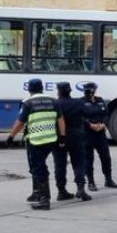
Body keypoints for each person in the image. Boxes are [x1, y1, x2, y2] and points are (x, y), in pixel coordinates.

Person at [6, 78, 66, 210]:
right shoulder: (53, 101)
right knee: (36, 167)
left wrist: (11, 136)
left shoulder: (27, 103)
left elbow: (20, 122)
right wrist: (62, 136)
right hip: (51, 139)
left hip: (36, 140)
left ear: (29, 89)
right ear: (42, 87)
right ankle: (36, 193)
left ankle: (44, 200)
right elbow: (61, 120)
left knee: (39, 169)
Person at [51, 82, 92, 202]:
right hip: (76, 135)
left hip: (58, 136)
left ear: (58, 91)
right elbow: (88, 113)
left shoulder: (55, 103)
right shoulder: (78, 103)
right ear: (70, 91)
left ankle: (61, 191)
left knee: (59, 164)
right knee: (79, 162)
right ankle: (81, 188)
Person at [82, 82, 117, 191]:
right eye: (88, 90)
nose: (90, 92)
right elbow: (80, 117)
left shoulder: (100, 100)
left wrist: (103, 124)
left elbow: (106, 114)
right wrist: (90, 125)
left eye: (92, 90)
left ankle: (108, 179)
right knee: (89, 159)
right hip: (87, 133)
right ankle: (91, 182)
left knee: (106, 157)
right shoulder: (81, 102)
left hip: (100, 132)